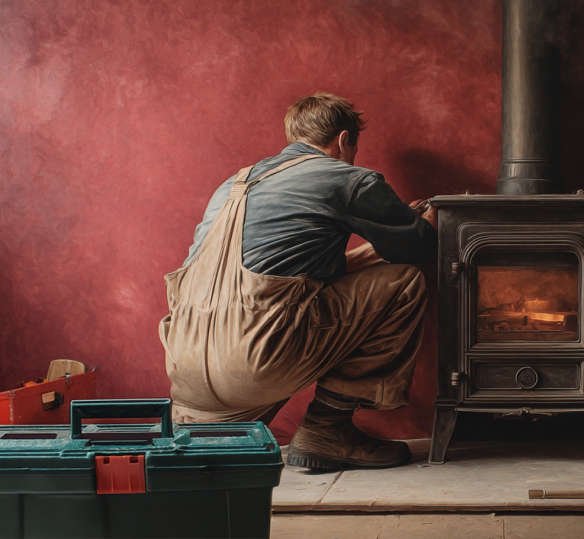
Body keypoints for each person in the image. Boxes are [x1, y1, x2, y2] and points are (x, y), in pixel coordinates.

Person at [159, 93, 437, 469]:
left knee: (209, 461)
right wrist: (423, 226)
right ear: (343, 140)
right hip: (257, 358)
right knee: (403, 282)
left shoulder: (234, 184)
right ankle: (328, 429)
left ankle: (212, 436)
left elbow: (280, 274)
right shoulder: (347, 177)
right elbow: (417, 245)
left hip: (187, 369)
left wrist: (369, 253)